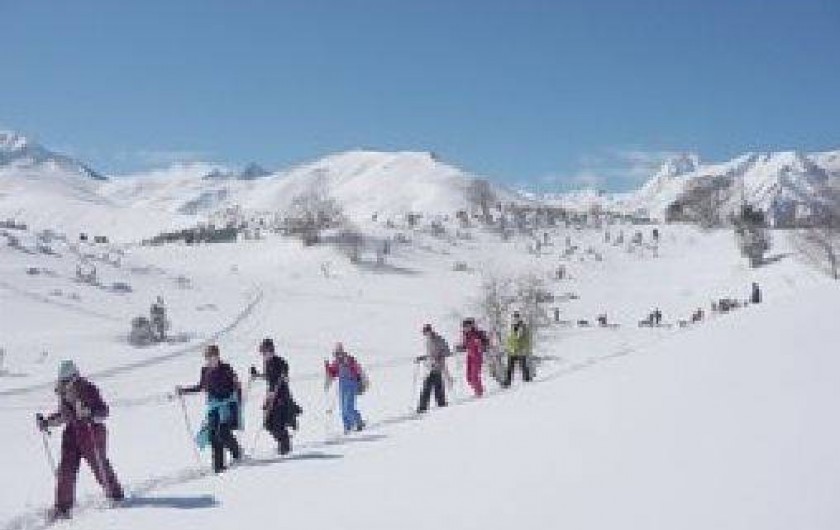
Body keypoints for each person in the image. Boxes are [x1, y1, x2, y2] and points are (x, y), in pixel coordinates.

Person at [36, 360, 124, 521]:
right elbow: (64, 415)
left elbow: (103, 411)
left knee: (99, 466)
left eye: (67, 380)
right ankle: (62, 508)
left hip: (91, 432)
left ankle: (115, 495)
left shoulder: (88, 389)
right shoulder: (63, 393)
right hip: (72, 434)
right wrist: (47, 422)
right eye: (62, 381)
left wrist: (90, 413)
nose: (64, 384)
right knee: (66, 470)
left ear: (75, 377)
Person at [176, 345, 242, 473]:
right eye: (208, 358)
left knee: (222, 432)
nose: (211, 360)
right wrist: (184, 390)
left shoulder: (226, 368)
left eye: (213, 357)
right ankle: (218, 467)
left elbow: (237, 385)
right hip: (213, 406)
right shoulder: (205, 370)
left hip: (228, 405)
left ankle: (237, 453)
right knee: (213, 435)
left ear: (218, 356)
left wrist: (238, 401)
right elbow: (201, 386)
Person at [250, 338, 301, 455]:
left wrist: (284, 374)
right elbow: (269, 377)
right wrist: (256, 374)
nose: (263, 355)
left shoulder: (280, 361)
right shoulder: (267, 363)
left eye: (265, 352)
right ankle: (283, 440)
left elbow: (285, 373)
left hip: (281, 396)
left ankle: (285, 446)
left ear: (271, 350)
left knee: (278, 423)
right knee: (268, 424)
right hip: (271, 396)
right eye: (262, 353)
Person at [324, 343, 365, 434]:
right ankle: (347, 426)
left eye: (338, 353)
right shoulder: (336, 363)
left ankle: (358, 422)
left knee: (348, 407)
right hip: (342, 386)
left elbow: (357, 370)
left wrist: (359, 382)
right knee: (343, 408)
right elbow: (333, 373)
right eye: (335, 354)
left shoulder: (349, 359)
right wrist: (327, 367)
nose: (337, 356)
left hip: (351, 384)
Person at [416, 324, 451, 413]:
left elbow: (447, 351)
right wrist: (423, 358)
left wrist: (439, 357)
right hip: (430, 366)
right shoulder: (428, 341)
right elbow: (429, 354)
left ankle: (423, 407)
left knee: (428, 385)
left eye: (427, 331)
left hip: (437, 365)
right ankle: (440, 403)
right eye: (425, 332)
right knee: (435, 384)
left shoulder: (438, 339)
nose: (426, 334)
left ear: (430, 331)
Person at [458, 319, 487, 398]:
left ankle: (479, 392)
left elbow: (483, 344)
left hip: (477, 356)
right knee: (468, 377)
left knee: (474, 376)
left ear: (471, 326)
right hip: (470, 356)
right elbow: (465, 346)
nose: (465, 328)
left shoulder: (477, 334)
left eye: (467, 326)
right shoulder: (465, 335)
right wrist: (460, 347)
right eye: (464, 327)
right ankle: (478, 390)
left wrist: (481, 346)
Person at [504, 312, 532, 387]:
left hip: (520, 350)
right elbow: (509, 339)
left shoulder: (523, 327)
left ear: (519, 318)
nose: (515, 319)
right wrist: (508, 347)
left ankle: (527, 379)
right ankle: (507, 382)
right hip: (512, 350)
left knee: (523, 366)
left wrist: (526, 348)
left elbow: (527, 339)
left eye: (516, 317)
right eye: (514, 317)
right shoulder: (510, 327)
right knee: (510, 367)